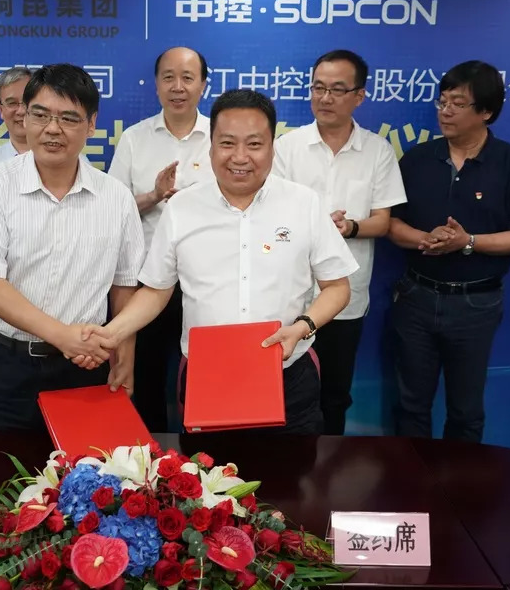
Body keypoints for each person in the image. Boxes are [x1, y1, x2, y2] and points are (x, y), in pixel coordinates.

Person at [86, 89, 358, 435]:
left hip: (287, 374)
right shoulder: (182, 208)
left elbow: (337, 287)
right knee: (206, 470)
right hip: (207, 378)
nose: (240, 157)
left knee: (292, 469)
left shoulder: (304, 204)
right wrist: (110, 335)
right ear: (211, 147)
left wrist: (303, 326)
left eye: (254, 144)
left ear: (272, 147)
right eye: (227, 143)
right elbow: (156, 291)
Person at [0, 64, 146, 431]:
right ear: (24, 117)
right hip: (7, 369)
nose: (52, 129)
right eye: (40, 115)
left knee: (86, 466)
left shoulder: (116, 198)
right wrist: (63, 337)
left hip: (85, 368)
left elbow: (124, 284)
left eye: (68, 118)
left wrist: (124, 353)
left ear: (91, 124)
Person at [388, 60, 510, 443]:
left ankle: (460, 482)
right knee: (410, 405)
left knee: (466, 410)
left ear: (486, 111)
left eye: (458, 104)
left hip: (476, 304)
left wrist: (468, 241)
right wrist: (425, 238)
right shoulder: (417, 159)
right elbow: (391, 224)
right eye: (442, 102)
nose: (446, 111)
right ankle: (411, 478)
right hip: (416, 297)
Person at [274, 49, 406, 435]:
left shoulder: (378, 151)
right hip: (290, 296)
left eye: (336, 89)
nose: (325, 98)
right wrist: (312, 226)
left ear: (359, 96)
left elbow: (383, 221)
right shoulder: (287, 147)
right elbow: (269, 215)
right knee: (283, 395)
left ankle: (328, 467)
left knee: (334, 395)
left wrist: (348, 227)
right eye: (318, 88)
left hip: (345, 298)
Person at [107, 46, 213, 431]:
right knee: (148, 377)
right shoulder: (135, 139)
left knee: (205, 377)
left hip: (206, 282)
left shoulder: (221, 137)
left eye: (187, 78)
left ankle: (204, 459)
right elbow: (112, 210)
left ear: (203, 85)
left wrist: (198, 204)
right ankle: (150, 457)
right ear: (156, 85)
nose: (177, 87)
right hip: (147, 282)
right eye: (168, 77)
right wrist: (154, 196)